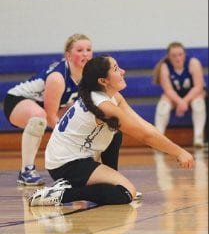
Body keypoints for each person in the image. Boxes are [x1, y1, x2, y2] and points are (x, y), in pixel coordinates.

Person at [27, 55, 194, 207]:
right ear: (103, 81)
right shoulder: (104, 106)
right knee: (125, 193)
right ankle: (62, 194)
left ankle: (110, 182)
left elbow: (144, 126)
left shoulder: (111, 97)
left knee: (116, 131)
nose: (123, 71)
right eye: (115, 69)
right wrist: (178, 152)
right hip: (66, 164)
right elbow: (145, 136)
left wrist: (175, 150)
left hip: (73, 156)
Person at [3, 34, 122, 186]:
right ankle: (26, 171)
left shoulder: (88, 76)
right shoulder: (58, 78)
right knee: (39, 117)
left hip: (51, 105)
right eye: (79, 50)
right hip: (17, 101)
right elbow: (51, 117)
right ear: (68, 55)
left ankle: (97, 171)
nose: (85, 53)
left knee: (88, 115)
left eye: (88, 49)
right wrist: (69, 147)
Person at [153, 42, 206, 147]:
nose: (178, 58)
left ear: (185, 54)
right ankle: (158, 139)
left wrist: (184, 102)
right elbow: (168, 90)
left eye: (180, 54)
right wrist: (180, 102)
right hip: (174, 96)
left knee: (198, 103)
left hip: (192, 95)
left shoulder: (193, 63)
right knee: (163, 106)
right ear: (168, 56)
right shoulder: (165, 67)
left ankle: (198, 138)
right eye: (174, 55)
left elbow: (198, 87)